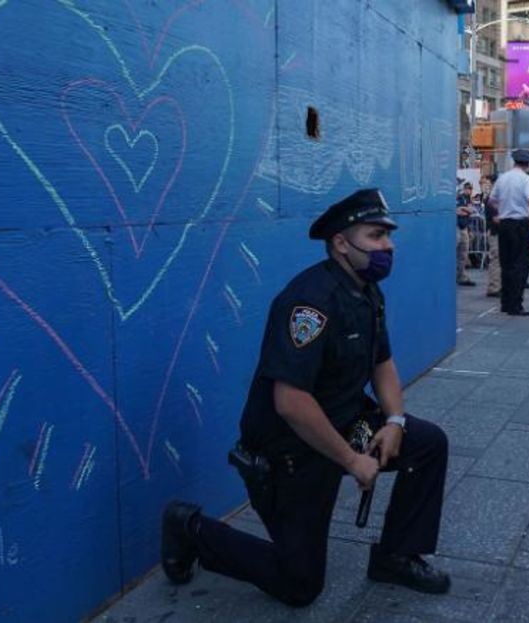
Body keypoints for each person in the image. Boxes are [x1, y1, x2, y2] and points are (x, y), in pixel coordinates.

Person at [160, 189, 452, 607]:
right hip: (291, 449)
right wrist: (352, 461)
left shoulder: (367, 291)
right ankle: (188, 528)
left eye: (388, 236)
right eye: (375, 236)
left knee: (427, 445)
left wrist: (394, 423)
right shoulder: (310, 304)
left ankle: (395, 556)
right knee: (299, 584)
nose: (388, 245)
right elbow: (291, 403)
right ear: (340, 243)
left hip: (344, 423)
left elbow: (382, 363)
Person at [487, 149, 529, 316]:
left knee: (506, 264)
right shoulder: (526, 179)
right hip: (520, 225)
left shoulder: (503, 178)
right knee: (520, 265)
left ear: (514, 161)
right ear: (528, 163)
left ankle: (505, 303)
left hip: (505, 224)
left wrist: (501, 211)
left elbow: (491, 201)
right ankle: (516, 305)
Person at [456, 182, 476, 286]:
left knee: (463, 253)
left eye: (470, 188)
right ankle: (457, 275)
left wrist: (466, 210)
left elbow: (472, 210)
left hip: (464, 228)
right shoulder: (460, 197)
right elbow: (457, 211)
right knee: (456, 252)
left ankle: (461, 275)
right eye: (467, 188)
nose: (469, 190)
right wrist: (467, 210)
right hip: (457, 227)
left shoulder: (469, 199)